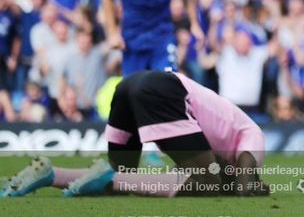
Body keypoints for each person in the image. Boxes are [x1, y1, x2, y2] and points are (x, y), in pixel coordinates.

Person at [2, 70, 268, 198]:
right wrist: (253, 186)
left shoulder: (213, 144)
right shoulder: (252, 134)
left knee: (118, 172)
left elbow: (177, 179)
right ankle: (107, 180)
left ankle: (51, 174)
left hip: (130, 85)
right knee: (209, 185)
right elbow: (244, 181)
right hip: (163, 90)